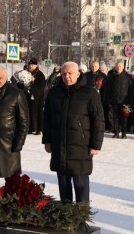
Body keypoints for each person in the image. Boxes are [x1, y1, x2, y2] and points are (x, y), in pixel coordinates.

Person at [42, 61, 104, 203]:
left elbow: (98, 120)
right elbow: (47, 119)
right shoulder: (54, 92)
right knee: (63, 183)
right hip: (59, 144)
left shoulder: (90, 93)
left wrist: (95, 145)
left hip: (81, 146)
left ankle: (82, 216)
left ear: (78, 74)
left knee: (80, 184)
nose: (67, 76)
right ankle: (66, 215)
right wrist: (47, 141)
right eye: (64, 73)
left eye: (70, 73)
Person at [105, 61, 134, 139]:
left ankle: (124, 133)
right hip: (114, 100)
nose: (119, 68)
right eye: (117, 66)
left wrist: (130, 101)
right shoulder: (111, 77)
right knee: (115, 117)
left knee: (124, 118)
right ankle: (116, 132)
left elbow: (131, 90)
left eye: (120, 66)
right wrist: (109, 100)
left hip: (125, 101)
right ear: (115, 67)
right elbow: (108, 90)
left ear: (123, 67)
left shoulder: (128, 77)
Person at [25, 58, 47, 135]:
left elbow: (41, 87)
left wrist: (31, 88)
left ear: (36, 65)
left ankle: (37, 128)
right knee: (28, 112)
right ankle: (30, 128)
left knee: (36, 112)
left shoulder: (40, 75)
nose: (30, 66)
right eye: (30, 64)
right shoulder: (26, 73)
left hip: (37, 98)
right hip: (28, 97)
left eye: (32, 65)